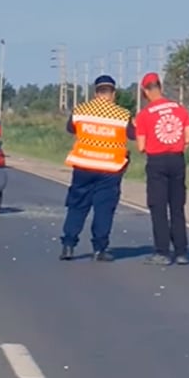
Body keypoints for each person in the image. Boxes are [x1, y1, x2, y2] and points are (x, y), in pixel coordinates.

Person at [59, 75, 131, 262]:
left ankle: (68, 245)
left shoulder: (80, 111)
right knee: (104, 210)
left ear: (96, 92)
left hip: (83, 167)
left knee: (77, 206)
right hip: (110, 170)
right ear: (112, 94)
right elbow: (132, 134)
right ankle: (99, 249)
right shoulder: (122, 115)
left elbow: (70, 129)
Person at [132, 73, 189, 265]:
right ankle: (182, 251)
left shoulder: (144, 115)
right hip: (177, 160)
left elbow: (141, 146)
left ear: (145, 91)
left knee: (158, 207)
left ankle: (162, 252)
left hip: (157, 161)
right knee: (177, 207)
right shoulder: (179, 109)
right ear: (160, 87)